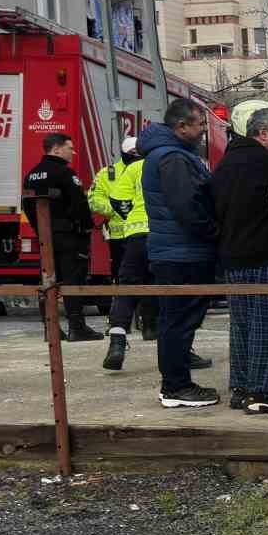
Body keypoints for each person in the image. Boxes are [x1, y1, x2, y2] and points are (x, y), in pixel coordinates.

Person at [210, 105, 268, 415]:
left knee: (242, 326)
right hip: (264, 255)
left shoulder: (225, 163)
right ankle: (261, 390)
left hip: (233, 256)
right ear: (263, 134)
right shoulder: (267, 163)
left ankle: (241, 386)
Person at [140, 100, 221, 408]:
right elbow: (188, 207)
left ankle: (176, 383)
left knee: (177, 321)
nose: (203, 130)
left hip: (177, 251)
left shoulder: (173, 155)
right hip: (182, 254)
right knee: (178, 322)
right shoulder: (173, 159)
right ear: (181, 127)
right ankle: (176, 386)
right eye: (200, 124)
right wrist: (215, 233)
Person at [22, 132, 102, 342]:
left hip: (46, 237)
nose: (73, 152)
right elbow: (79, 205)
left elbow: (28, 206)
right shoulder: (65, 174)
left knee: (48, 281)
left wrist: (40, 230)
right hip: (69, 237)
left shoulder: (32, 174)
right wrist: (85, 228)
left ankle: (51, 329)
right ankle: (77, 327)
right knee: (72, 280)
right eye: (70, 148)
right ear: (56, 149)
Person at [89, 135, 156, 370]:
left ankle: (117, 340)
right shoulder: (166, 162)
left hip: (134, 237)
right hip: (164, 236)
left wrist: (129, 216)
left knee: (126, 287)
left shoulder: (130, 169)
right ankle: (178, 346)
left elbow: (118, 200)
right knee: (168, 288)